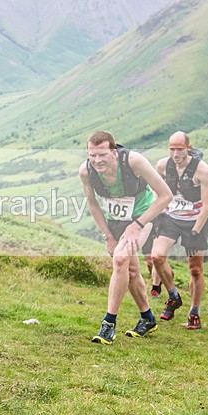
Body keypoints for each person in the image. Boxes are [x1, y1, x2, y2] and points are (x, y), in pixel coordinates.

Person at [79, 131, 172, 344]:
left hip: (145, 216)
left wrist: (137, 225)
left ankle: (108, 323)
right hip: (116, 221)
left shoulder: (133, 161)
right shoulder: (86, 171)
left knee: (120, 258)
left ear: (114, 151)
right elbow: (92, 203)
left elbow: (166, 195)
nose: (97, 160)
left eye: (102, 155)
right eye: (92, 155)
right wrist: (108, 236)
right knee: (130, 269)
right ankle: (147, 318)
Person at [151, 132, 208, 329]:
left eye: (179, 149)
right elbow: (155, 188)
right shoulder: (162, 165)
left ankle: (194, 312)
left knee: (195, 269)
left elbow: (207, 205)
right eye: (172, 149)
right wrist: (157, 211)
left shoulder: (201, 170)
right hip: (170, 218)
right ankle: (173, 296)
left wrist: (195, 231)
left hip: (194, 221)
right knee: (157, 257)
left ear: (188, 148)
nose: (175, 153)